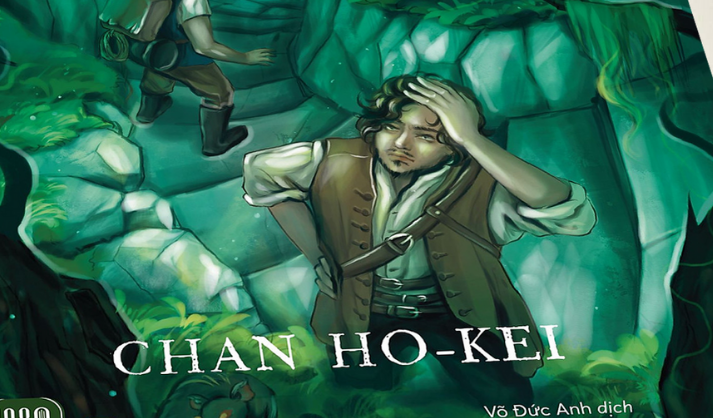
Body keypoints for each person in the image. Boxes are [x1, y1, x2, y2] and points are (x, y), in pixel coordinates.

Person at [240, 73, 596, 399]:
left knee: (507, 400)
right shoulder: (336, 159)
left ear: (454, 146)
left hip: (459, 311)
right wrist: (318, 255)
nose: (401, 143)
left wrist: (472, 139)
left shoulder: (482, 183)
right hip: (361, 309)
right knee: (359, 402)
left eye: (425, 136)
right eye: (392, 126)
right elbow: (262, 173)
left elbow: (569, 213)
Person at [133, 0, 276, 157]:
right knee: (221, 93)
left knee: (158, 77)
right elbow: (204, 47)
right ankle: (214, 143)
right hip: (186, 58)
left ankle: (146, 114)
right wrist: (245, 58)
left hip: (157, 52)